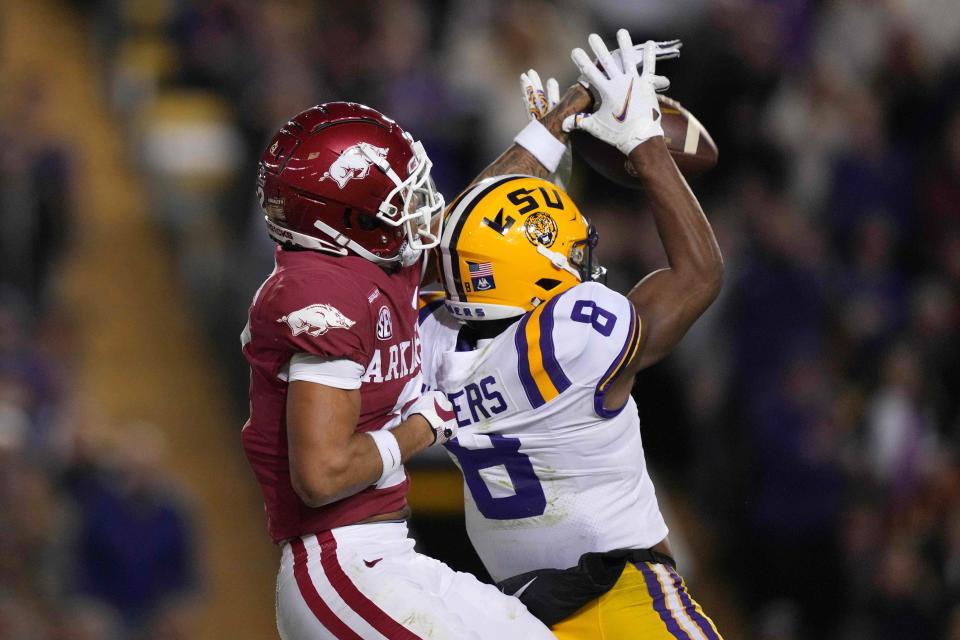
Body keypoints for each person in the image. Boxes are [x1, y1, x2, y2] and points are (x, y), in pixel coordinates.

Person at [417, 32, 726, 638]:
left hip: (523, 616)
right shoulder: (577, 333)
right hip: (624, 601)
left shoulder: (431, 340)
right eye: (568, 252)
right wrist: (644, 144)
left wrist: (547, 132)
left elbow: (457, 245)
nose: (578, 265)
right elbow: (699, 275)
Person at [240, 101, 561, 639]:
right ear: (347, 219)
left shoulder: (373, 264)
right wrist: (424, 426)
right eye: (396, 199)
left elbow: (476, 227)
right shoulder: (321, 294)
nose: (414, 207)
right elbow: (322, 475)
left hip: (388, 556)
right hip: (339, 564)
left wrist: (553, 130)